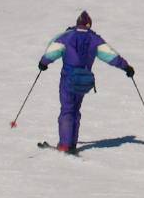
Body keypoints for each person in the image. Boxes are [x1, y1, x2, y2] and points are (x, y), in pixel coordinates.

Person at [38, 11, 134, 154]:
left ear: (77, 22)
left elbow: (52, 51)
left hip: (68, 79)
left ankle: (64, 144)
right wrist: (126, 67)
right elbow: (111, 56)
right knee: (75, 110)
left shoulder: (67, 36)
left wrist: (43, 63)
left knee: (67, 110)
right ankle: (72, 144)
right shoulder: (95, 39)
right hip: (84, 81)